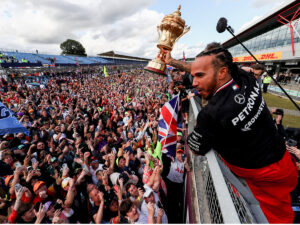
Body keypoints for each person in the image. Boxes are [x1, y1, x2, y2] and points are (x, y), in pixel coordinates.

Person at [162, 42, 298, 223]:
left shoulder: (211, 113)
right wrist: (172, 61)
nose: (194, 81)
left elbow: (196, 147)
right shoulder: (243, 75)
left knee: (280, 218)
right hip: (282, 158)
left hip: (262, 175)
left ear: (221, 71)